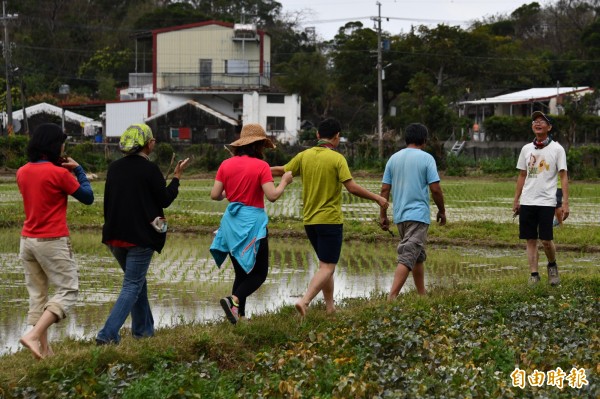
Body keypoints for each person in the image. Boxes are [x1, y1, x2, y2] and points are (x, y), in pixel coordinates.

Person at [271, 118, 388, 316]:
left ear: (317, 135)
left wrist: (254, 170)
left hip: (310, 222)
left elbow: (282, 170)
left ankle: (330, 308)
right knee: (327, 266)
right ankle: (305, 301)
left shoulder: (304, 155)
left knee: (325, 265)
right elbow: (351, 187)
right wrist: (377, 198)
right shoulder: (337, 159)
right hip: (330, 221)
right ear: (336, 137)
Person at [96, 124, 189, 344]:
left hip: (115, 237)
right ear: (148, 144)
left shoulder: (114, 168)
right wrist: (176, 178)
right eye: (152, 140)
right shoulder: (149, 169)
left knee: (137, 282)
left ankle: (143, 332)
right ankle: (107, 334)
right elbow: (165, 199)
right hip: (140, 237)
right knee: (132, 285)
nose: (154, 143)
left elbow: (108, 203)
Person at [16, 123, 94, 359]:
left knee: (38, 295)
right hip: (52, 240)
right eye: (62, 143)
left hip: (27, 240)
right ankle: (32, 336)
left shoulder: (22, 171)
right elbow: (87, 197)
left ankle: (45, 350)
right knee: (68, 289)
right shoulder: (59, 174)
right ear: (54, 145)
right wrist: (78, 170)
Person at [210, 124, 293, 324]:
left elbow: (215, 195)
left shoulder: (226, 164)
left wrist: (230, 191)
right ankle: (234, 301)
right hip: (252, 224)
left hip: (231, 223)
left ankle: (239, 316)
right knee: (260, 273)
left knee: (241, 272)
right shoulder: (261, 166)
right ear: (258, 146)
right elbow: (272, 196)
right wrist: (285, 181)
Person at [379, 123, 446, 300]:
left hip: (400, 216)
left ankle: (421, 294)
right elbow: (436, 189)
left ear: (406, 139)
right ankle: (391, 297)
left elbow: (385, 190)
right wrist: (442, 211)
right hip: (418, 216)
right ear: (424, 140)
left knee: (418, 255)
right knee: (408, 254)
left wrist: (383, 215)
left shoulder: (393, 159)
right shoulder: (426, 158)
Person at [513, 111, 569, 286]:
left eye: (542, 121)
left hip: (547, 201)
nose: (537, 123)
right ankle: (534, 275)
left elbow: (563, 176)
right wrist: (517, 199)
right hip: (528, 200)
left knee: (545, 240)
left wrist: (565, 202)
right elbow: (522, 175)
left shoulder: (557, 149)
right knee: (530, 239)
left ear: (549, 127)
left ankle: (552, 265)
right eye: (535, 121)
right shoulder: (526, 149)